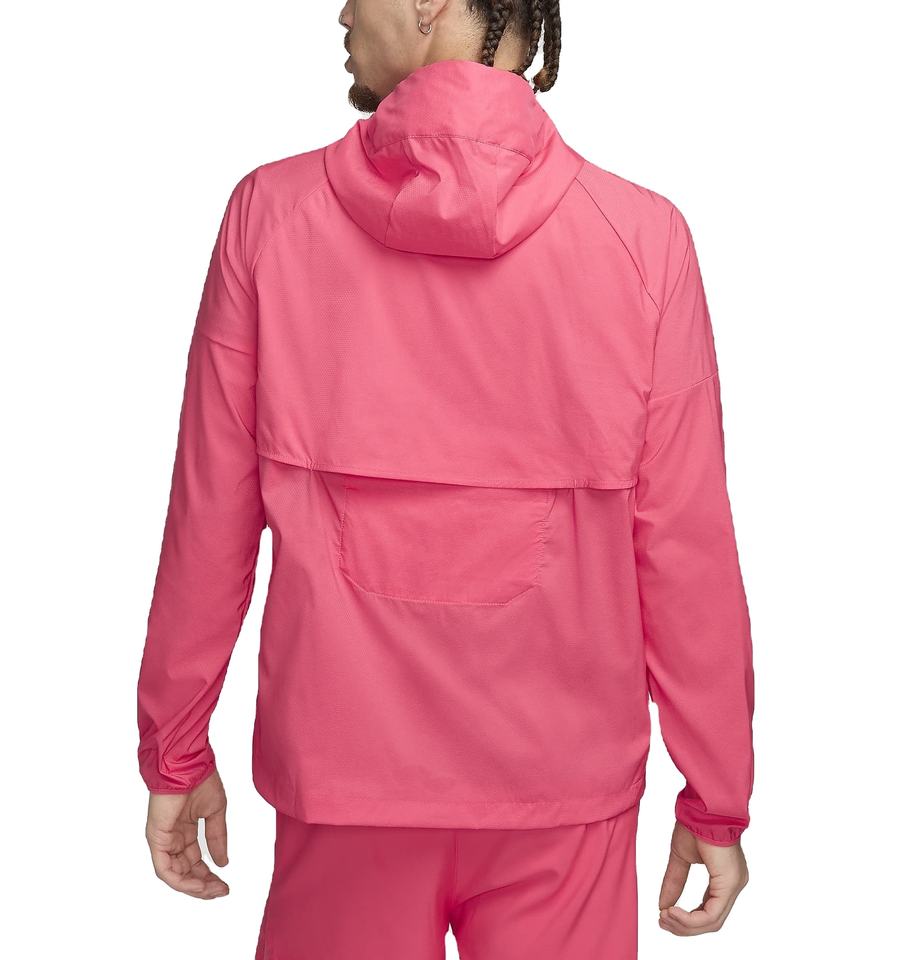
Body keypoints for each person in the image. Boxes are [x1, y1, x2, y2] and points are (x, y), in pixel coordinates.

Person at [136, 1, 755, 956]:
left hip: (346, 780)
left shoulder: (270, 216)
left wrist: (175, 750)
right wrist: (716, 795)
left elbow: (207, 516)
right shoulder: (642, 238)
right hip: (563, 790)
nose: (343, 11)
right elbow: (686, 546)